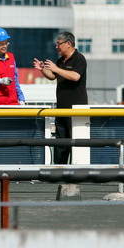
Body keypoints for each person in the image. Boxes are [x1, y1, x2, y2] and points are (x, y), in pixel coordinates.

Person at [33, 31, 88, 164]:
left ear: (68, 44)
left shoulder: (79, 58)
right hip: (61, 108)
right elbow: (53, 76)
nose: (56, 47)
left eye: (59, 44)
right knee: (60, 142)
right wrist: (42, 69)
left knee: (75, 142)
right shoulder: (61, 61)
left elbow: (75, 76)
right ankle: (59, 170)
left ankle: (76, 171)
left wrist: (56, 69)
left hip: (76, 109)